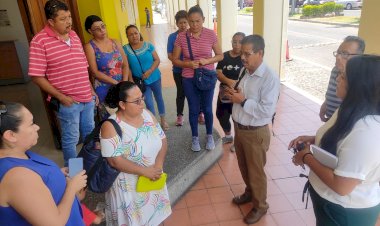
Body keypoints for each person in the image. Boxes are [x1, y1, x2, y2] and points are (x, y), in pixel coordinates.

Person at [289, 55, 380, 226]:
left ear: (359, 86)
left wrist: (307, 157)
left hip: (345, 212)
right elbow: (343, 140)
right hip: (328, 203)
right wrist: (315, 139)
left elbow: (342, 186)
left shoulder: (367, 132)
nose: (337, 78)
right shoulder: (350, 108)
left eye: (344, 76)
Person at [28, 0, 96, 166]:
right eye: (63, 19)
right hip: (68, 102)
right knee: (71, 140)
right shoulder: (39, 41)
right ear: (51, 22)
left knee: (89, 134)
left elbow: (82, 65)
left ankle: (90, 166)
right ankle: (73, 173)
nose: (69, 22)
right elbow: (36, 76)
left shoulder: (73, 35)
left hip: (87, 97)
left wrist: (91, 90)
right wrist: (60, 96)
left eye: (70, 17)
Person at [0, 101, 87, 225]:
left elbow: (36, 179)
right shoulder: (17, 177)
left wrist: (56, 174)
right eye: (31, 124)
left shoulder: (20, 153)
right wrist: (72, 188)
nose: (37, 127)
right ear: (11, 135)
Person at [100, 81, 171, 225]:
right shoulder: (110, 126)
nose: (142, 104)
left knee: (154, 218)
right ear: (122, 104)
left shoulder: (148, 115)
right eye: (137, 101)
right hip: (128, 189)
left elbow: (162, 140)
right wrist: (145, 171)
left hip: (152, 180)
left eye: (142, 98)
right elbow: (115, 161)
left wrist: (158, 164)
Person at [226, 35, 280, 224]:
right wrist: (235, 95)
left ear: (260, 53)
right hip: (240, 129)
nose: (243, 58)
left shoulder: (269, 77)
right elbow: (242, 96)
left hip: (255, 132)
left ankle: (260, 206)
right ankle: (250, 193)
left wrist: (243, 101)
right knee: (243, 166)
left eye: (247, 54)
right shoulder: (245, 71)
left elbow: (267, 110)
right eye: (242, 53)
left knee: (256, 172)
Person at [172, 5, 223, 152]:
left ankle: (209, 135)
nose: (194, 25)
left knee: (207, 108)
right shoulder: (181, 36)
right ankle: (194, 137)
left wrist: (207, 61)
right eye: (191, 21)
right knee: (193, 109)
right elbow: (175, 59)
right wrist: (187, 63)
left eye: (198, 21)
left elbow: (220, 55)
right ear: (187, 20)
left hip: (207, 76)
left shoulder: (210, 34)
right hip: (188, 77)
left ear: (203, 20)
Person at [123, 24, 169, 131]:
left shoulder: (148, 45)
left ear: (139, 33)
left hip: (155, 77)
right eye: (130, 35)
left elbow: (157, 60)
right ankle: (154, 123)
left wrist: (150, 71)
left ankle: (163, 119)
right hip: (141, 82)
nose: (134, 36)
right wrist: (130, 79)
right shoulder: (125, 49)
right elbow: (127, 66)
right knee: (148, 102)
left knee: (159, 98)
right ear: (127, 37)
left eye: (135, 33)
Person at [84, 15, 129, 121]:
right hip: (104, 88)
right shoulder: (89, 47)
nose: (102, 30)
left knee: (126, 116)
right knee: (110, 120)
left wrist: (124, 82)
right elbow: (94, 72)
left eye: (103, 26)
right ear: (90, 31)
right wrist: (116, 83)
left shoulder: (116, 42)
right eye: (97, 29)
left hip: (121, 85)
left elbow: (125, 65)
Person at [319, 36, 365, 122]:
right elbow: (331, 91)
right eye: (338, 52)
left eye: (345, 54)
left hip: (344, 124)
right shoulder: (335, 70)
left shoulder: (359, 78)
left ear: (359, 57)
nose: (338, 57)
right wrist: (326, 104)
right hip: (330, 119)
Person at [216, 32, 245, 150]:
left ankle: (238, 143)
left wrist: (235, 86)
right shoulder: (224, 56)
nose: (237, 44)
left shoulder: (244, 58)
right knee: (221, 115)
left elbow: (246, 76)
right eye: (234, 41)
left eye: (240, 42)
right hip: (224, 92)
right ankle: (228, 136)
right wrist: (229, 82)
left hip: (238, 93)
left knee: (237, 118)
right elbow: (218, 72)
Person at [167, 10, 188, 126]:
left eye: (185, 22)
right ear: (177, 24)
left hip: (192, 71)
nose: (183, 25)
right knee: (181, 93)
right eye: (181, 23)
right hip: (178, 71)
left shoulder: (191, 35)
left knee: (195, 92)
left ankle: (200, 113)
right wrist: (181, 64)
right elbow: (170, 55)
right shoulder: (172, 37)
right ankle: (179, 115)